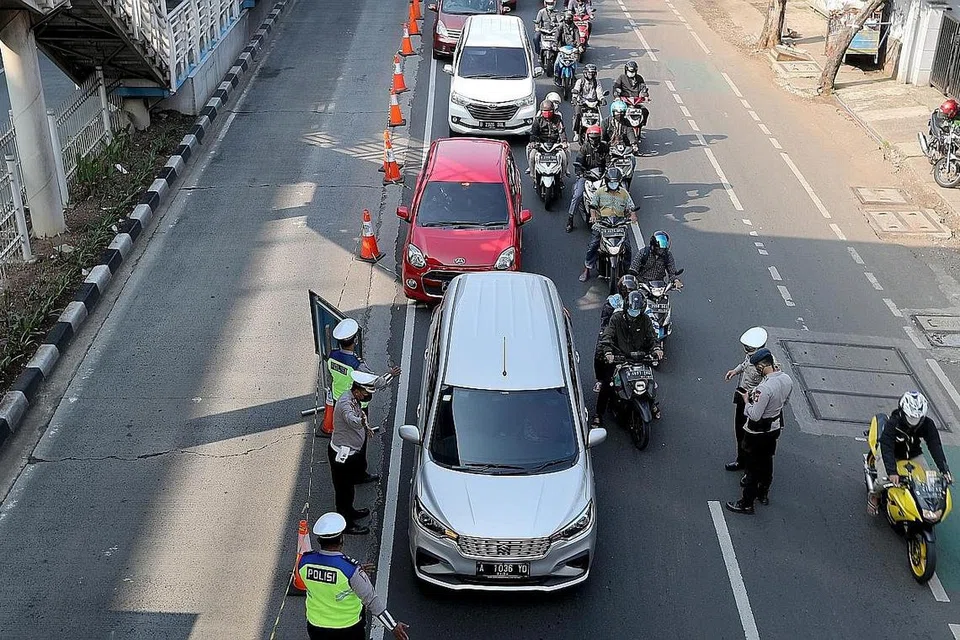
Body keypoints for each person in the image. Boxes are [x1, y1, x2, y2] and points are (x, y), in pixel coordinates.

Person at [299, 512, 410, 640]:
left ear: (319, 540)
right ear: (341, 539)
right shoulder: (350, 570)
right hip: (348, 629)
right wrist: (393, 626)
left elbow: (323, 580)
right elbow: (372, 600)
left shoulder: (304, 562)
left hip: (316, 627)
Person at [726, 348, 793, 515]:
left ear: (763, 366)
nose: (756, 370)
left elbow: (755, 415)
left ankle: (746, 503)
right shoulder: (786, 379)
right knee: (767, 460)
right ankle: (763, 493)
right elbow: (785, 401)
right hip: (775, 426)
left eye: (757, 367)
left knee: (753, 466)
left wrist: (747, 401)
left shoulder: (764, 388)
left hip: (757, 431)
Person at [868, 391, 954, 515]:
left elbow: (935, 446)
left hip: (913, 454)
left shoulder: (927, 424)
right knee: (883, 480)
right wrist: (892, 472)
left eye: (917, 418)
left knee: (926, 482)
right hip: (892, 453)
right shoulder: (893, 423)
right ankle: (874, 496)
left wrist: (944, 469)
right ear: (903, 412)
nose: (914, 421)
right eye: (911, 417)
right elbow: (886, 447)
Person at [593, 291, 663, 426]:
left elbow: (652, 337)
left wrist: (656, 348)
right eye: (631, 310)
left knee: (650, 381)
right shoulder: (616, 318)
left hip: (639, 357)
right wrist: (608, 353)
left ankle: (652, 403)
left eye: (637, 310)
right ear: (626, 307)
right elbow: (607, 336)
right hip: (619, 357)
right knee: (607, 385)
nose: (634, 313)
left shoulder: (645, 320)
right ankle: (598, 414)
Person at [329, 371, 384, 534]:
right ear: (357, 390)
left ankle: (350, 512)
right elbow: (350, 419)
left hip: (350, 453)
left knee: (349, 488)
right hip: (342, 455)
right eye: (366, 393)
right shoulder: (346, 403)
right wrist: (361, 421)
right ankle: (346, 524)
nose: (367, 397)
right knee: (344, 491)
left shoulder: (354, 399)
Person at [723, 327, 779, 473]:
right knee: (739, 430)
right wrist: (735, 371)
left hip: (755, 402)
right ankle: (740, 460)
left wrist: (753, 395)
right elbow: (745, 364)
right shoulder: (751, 357)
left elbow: (769, 384)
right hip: (743, 395)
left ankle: (749, 470)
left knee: (751, 437)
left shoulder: (768, 363)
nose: (746, 350)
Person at [579, 167, 637, 282]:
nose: (613, 184)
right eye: (611, 182)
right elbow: (593, 206)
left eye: (616, 182)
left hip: (619, 224)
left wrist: (633, 216)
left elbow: (631, 207)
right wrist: (593, 216)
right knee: (593, 245)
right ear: (607, 181)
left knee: (628, 247)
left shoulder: (624, 193)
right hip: (602, 223)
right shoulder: (600, 192)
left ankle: (626, 269)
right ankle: (587, 269)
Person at [566, 124, 607, 232]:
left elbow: (609, 161)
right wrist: (580, 172)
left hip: (601, 177)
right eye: (592, 137)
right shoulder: (584, 148)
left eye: (596, 137)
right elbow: (578, 161)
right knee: (578, 194)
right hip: (586, 176)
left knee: (613, 191)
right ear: (588, 137)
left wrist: (609, 171)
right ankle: (570, 219)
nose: (594, 140)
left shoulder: (604, 147)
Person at [527, 98, 569, 179]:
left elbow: (562, 131)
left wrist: (563, 142)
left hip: (555, 144)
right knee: (531, 154)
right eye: (545, 111)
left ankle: (564, 172)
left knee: (565, 155)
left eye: (549, 111)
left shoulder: (558, 119)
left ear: (553, 110)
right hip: (541, 144)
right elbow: (533, 133)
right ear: (541, 111)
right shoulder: (538, 120)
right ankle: (532, 172)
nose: (547, 113)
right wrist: (533, 142)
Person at [612, 61, 650, 129]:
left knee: (645, 112)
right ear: (626, 70)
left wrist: (645, 96)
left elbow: (643, 88)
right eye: (629, 71)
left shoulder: (639, 78)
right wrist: (617, 96)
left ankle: (640, 126)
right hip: (625, 101)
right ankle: (618, 128)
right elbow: (616, 87)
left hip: (636, 101)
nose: (631, 73)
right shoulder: (622, 77)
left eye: (633, 71)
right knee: (619, 113)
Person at [571, 64, 604, 142]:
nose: (591, 75)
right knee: (577, 115)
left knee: (601, 119)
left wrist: (602, 99)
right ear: (585, 73)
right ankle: (576, 133)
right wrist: (575, 98)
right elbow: (576, 90)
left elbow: (599, 91)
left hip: (594, 103)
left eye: (593, 73)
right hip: (582, 103)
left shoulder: (597, 82)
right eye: (589, 73)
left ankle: (601, 134)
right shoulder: (580, 81)